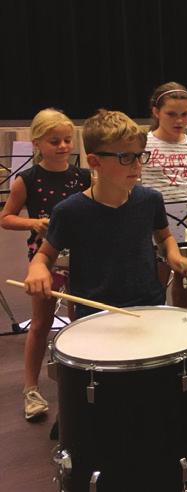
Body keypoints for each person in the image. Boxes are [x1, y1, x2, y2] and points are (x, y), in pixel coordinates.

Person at [23, 109, 187, 320]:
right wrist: (37, 268)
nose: (137, 165)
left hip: (149, 304)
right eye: (126, 158)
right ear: (94, 162)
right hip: (95, 312)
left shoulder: (150, 200)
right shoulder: (69, 211)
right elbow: (46, 255)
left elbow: (164, 237)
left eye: (140, 156)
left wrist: (173, 255)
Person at [1, 108, 91, 421]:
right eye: (55, 141)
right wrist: (33, 222)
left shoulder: (82, 176)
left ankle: (76, 379)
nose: (64, 146)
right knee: (41, 324)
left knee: (77, 320)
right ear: (38, 142)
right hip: (45, 258)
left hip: (80, 257)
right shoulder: (27, 180)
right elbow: (6, 218)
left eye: (68, 139)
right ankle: (30, 388)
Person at [143, 81, 187, 309]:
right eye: (171, 114)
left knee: (185, 285)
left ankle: (185, 332)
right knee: (155, 284)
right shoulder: (143, 143)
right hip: (155, 226)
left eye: (185, 114)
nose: (180, 121)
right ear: (156, 111)